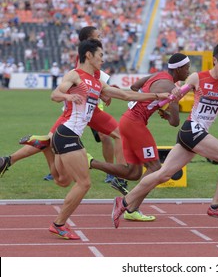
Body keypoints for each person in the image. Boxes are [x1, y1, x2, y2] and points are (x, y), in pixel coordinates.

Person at [111, 41, 218, 228]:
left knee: (163, 174)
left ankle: (124, 202)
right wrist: (168, 100)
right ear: (215, 60)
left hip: (194, 134)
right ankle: (216, 206)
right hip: (192, 129)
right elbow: (177, 94)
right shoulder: (197, 77)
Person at [48, 39, 170, 239]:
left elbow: (125, 94)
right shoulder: (75, 75)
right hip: (67, 133)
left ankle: (45, 147)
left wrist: (157, 96)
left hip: (66, 136)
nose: (103, 60)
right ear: (88, 55)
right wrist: (68, 97)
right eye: (101, 55)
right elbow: (56, 93)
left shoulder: (97, 83)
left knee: (62, 180)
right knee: (84, 184)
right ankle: (59, 224)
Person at [0, 27, 125, 190]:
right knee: (113, 135)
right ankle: (116, 174)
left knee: (51, 139)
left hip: (80, 108)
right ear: (88, 40)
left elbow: (95, 84)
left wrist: (104, 93)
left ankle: (9, 160)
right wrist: (103, 94)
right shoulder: (89, 59)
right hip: (85, 109)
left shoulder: (88, 58)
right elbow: (86, 84)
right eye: (97, 35)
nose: (101, 37)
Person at [88, 53, 190, 221]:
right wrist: (169, 105)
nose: (188, 71)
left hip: (127, 119)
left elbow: (135, 87)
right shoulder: (171, 87)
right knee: (155, 167)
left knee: (134, 172)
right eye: (186, 68)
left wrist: (154, 105)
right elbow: (175, 122)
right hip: (135, 123)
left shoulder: (157, 75)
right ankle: (131, 207)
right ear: (178, 69)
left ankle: (91, 162)